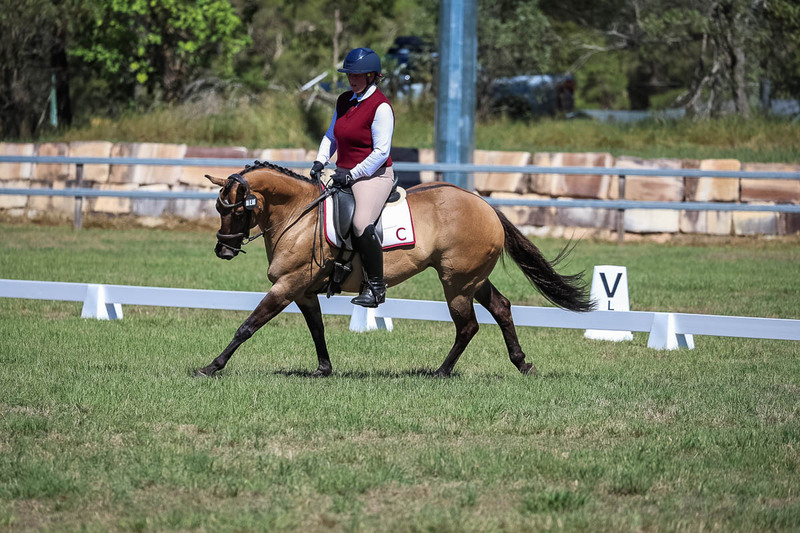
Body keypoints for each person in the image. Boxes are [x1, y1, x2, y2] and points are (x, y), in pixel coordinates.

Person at [310, 47, 395, 308]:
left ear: (372, 76)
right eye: (349, 74)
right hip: (343, 173)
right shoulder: (344, 100)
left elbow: (381, 152)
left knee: (360, 223)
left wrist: (353, 174)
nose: (352, 79)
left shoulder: (380, 107)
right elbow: (330, 136)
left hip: (374, 175)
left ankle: (376, 287)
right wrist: (320, 160)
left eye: (357, 75)